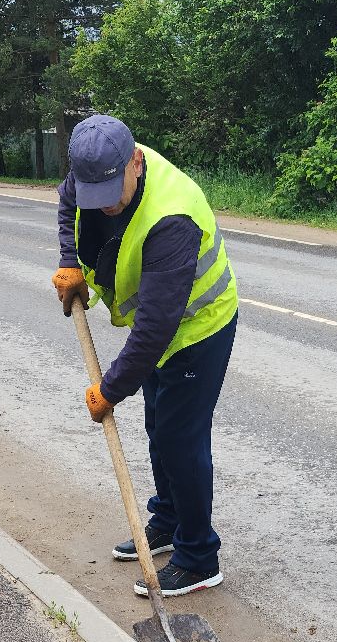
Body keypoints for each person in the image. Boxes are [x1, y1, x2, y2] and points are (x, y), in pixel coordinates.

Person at [51, 114, 239, 597]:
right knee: (158, 421)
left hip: (199, 327)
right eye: (98, 194)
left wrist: (109, 391)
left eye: (114, 191)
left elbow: (156, 327)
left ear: (135, 161)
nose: (107, 206)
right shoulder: (93, 169)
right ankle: (168, 521)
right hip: (159, 328)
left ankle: (199, 557)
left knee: (180, 437)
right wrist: (69, 260)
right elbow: (69, 200)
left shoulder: (171, 216)